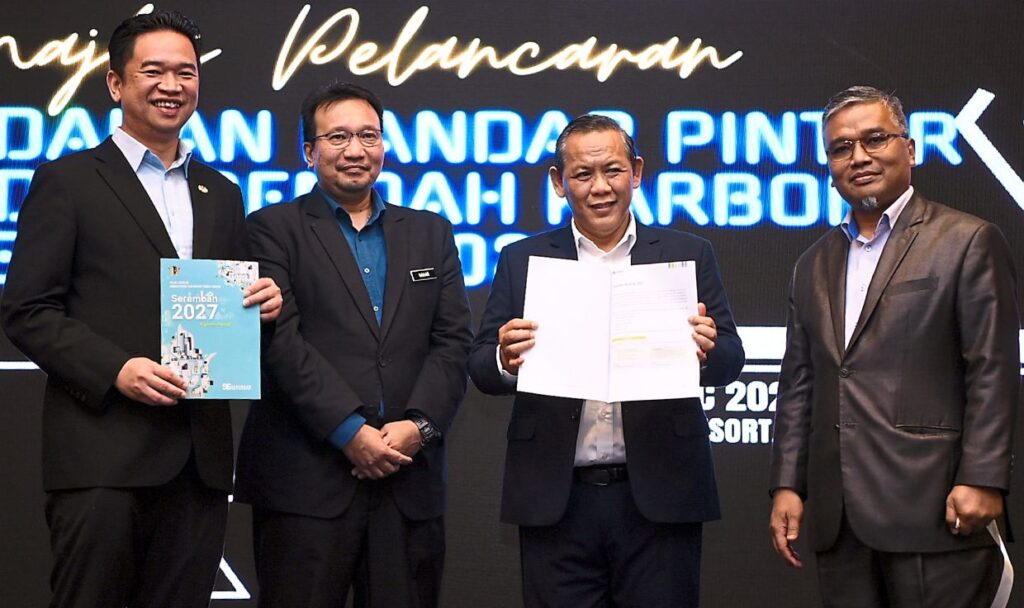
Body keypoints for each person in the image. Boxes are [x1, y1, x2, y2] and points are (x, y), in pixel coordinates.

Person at [0, 11, 282, 608]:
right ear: (115, 83)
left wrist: (261, 306)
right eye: (153, 71)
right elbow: (27, 309)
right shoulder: (68, 181)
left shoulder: (223, 192)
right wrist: (115, 369)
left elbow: (227, 315)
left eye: (186, 72)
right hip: (102, 455)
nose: (171, 85)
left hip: (198, 463)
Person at [468, 114, 744, 607]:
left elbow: (729, 360)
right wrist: (505, 359)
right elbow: (481, 367)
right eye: (582, 174)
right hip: (557, 498)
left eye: (613, 171)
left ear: (637, 172)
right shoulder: (521, 258)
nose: (600, 188)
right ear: (559, 182)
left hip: (661, 494)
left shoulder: (687, 253)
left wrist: (706, 348)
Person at [769, 85, 1019, 607]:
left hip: (936, 507)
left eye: (875, 139)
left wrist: (984, 476)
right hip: (839, 520)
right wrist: (788, 485)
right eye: (841, 147)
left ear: (910, 149)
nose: (858, 157)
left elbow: (991, 370)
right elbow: (799, 385)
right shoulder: (812, 263)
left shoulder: (967, 241)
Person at [233, 82, 472, 608]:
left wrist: (419, 427)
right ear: (308, 151)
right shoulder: (270, 229)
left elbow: (453, 342)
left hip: (408, 479)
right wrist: (349, 432)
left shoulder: (432, 231)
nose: (356, 150)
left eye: (369, 135)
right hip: (305, 480)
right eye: (338, 136)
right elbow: (278, 341)